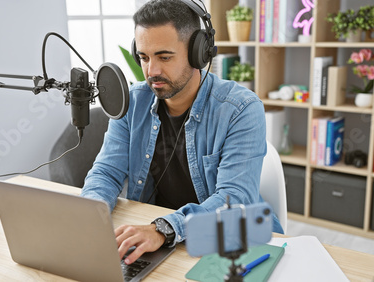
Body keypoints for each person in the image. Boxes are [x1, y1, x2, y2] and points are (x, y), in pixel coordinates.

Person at [81, 0, 283, 265]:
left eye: (164, 57)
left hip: (225, 240)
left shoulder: (241, 109)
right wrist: (88, 217)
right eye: (144, 57)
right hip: (159, 240)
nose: (152, 71)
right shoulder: (132, 102)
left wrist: (163, 229)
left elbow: (234, 199)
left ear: (198, 52)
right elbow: (106, 172)